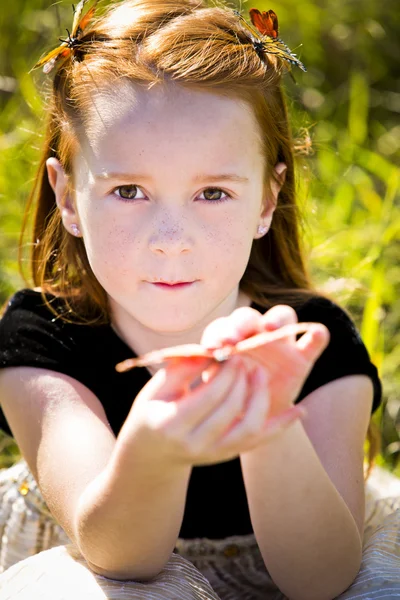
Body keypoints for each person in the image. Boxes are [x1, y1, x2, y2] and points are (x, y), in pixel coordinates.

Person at [0, 0, 398, 598]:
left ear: (266, 199)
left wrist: (266, 422)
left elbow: (321, 579)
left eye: (212, 193)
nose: (171, 242)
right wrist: (153, 449)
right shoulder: (42, 336)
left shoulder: (311, 342)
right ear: (68, 197)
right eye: (129, 190)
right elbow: (119, 559)